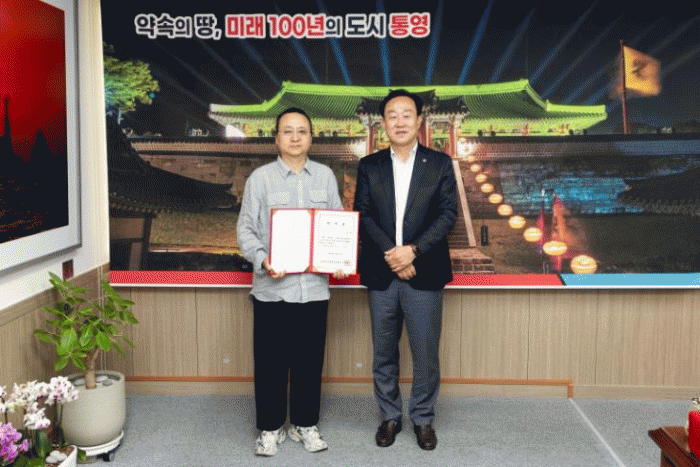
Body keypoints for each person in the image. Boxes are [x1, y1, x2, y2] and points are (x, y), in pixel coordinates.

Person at [237, 108, 347, 456]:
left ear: (311, 137)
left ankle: (305, 424)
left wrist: (340, 257)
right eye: (288, 131)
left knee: (309, 362)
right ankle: (270, 428)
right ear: (276, 138)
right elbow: (245, 229)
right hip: (272, 290)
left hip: (313, 289)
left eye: (302, 131)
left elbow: (337, 222)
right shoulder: (260, 179)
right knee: (270, 363)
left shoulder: (325, 177)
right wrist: (263, 259)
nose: (295, 137)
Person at [353, 89, 458, 451]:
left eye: (406, 114)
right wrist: (393, 255)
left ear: (419, 120)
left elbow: (447, 214)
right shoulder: (369, 165)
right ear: (383, 122)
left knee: (425, 353)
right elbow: (363, 214)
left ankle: (423, 418)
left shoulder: (439, 164)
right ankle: (389, 416)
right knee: (384, 351)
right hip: (382, 273)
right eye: (392, 115)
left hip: (424, 273)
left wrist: (412, 252)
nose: (399, 122)